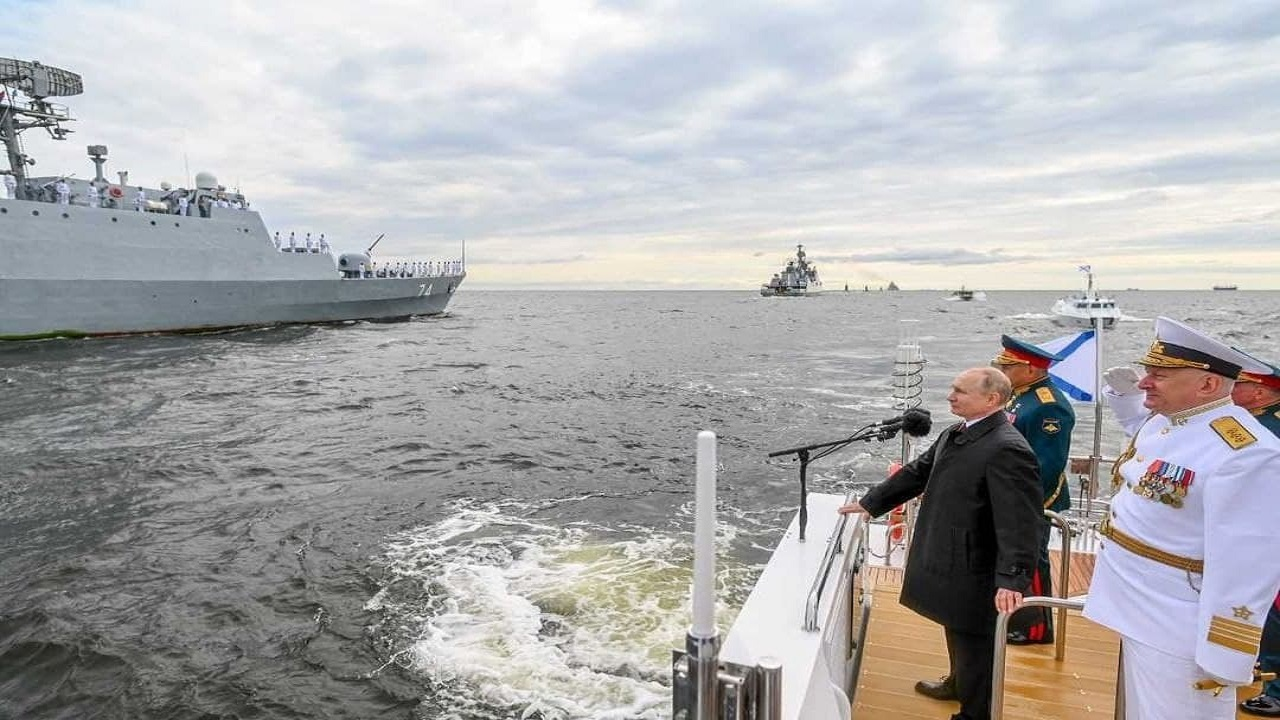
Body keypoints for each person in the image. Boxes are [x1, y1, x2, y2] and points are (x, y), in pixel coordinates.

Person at [1082, 317, 1280, 720]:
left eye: (1158, 375)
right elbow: (1149, 432)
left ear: (1206, 385)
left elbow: (1248, 565)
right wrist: (1121, 396)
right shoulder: (1174, 421)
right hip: (1138, 603)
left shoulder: (1247, 454)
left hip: (1182, 624)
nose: (1144, 383)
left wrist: (1224, 653)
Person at [839, 367, 1042, 720]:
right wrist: (872, 502)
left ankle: (975, 713)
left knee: (976, 641)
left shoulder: (1007, 448)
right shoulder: (958, 432)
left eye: (960, 391)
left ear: (991, 399)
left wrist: (1012, 578)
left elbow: (1021, 521)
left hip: (977, 562)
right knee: (956, 625)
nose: (950, 395)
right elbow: (919, 471)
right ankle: (958, 684)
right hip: (953, 554)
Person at [991, 335, 1075, 646]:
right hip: (1011, 495)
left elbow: (1046, 466)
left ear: (1029, 369)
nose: (1002, 371)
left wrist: (1022, 504)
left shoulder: (1048, 408)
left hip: (1032, 502)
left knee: (1031, 564)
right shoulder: (1019, 396)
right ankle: (1015, 618)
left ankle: (1036, 629)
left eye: (1008, 366)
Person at [1234, 357, 1280, 717]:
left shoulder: (1270, 429)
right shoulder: (1253, 422)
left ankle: (1276, 687)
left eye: (1241, 384)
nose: (1233, 390)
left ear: (1261, 393)